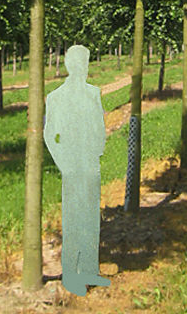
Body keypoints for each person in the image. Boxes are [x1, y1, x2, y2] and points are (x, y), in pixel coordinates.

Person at [43, 44, 111, 296]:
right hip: (71, 165)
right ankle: (72, 275)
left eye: (86, 61)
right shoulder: (56, 97)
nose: (83, 66)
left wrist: (97, 151)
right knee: (73, 219)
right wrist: (63, 162)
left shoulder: (94, 93)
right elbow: (50, 135)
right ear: (69, 65)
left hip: (91, 163)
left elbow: (99, 126)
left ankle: (90, 270)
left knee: (91, 217)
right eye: (79, 61)